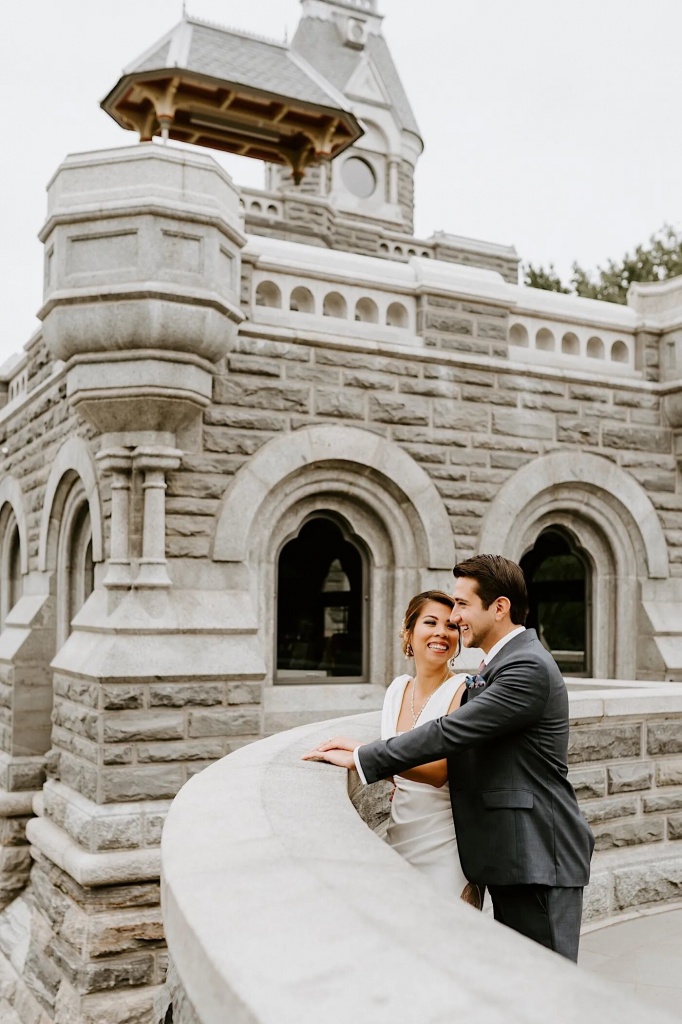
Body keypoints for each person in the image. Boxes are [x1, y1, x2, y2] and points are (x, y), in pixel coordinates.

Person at [303, 554, 595, 962]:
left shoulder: (526, 666)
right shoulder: (501, 664)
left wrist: (364, 757)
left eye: (461, 604)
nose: (455, 616)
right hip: (512, 855)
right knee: (518, 984)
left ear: (499, 607)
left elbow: (450, 732)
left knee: (547, 993)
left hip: (538, 857)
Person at [373, 590, 482, 906]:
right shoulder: (396, 690)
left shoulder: (464, 692)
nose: (441, 633)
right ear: (408, 633)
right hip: (400, 835)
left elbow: (438, 772)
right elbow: (399, 771)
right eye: (430, 622)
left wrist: (361, 757)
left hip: (446, 843)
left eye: (450, 626)